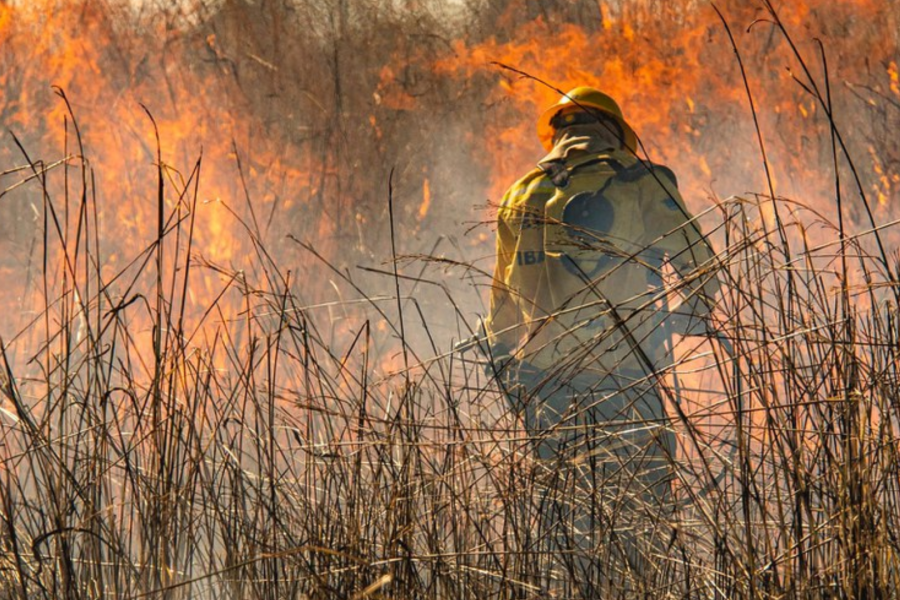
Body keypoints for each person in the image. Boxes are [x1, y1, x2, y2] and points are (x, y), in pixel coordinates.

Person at [461, 86, 721, 596]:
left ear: (557, 132)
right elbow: (702, 267)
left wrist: (512, 376)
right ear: (614, 132)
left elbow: (502, 312)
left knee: (563, 530)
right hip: (624, 382)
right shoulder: (639, 181)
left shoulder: (520, 194)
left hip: (545, 392)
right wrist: (683, 320)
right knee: (640, 521)